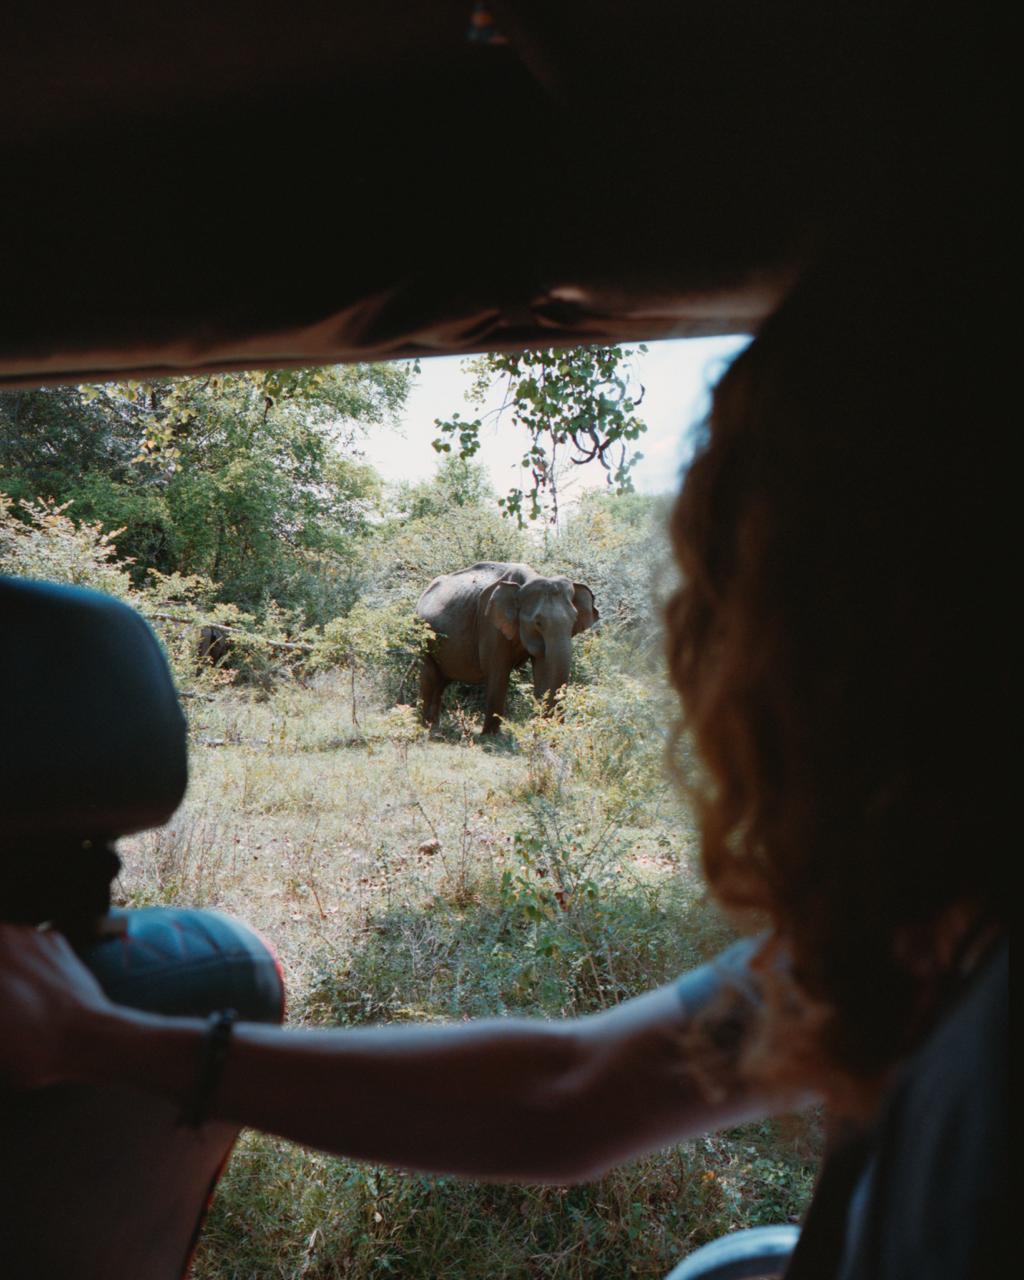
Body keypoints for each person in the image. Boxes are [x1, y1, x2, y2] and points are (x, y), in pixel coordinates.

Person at [0, 217, 1008, 1273]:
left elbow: (566, 1096)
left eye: (745, 600)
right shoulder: (916, 928)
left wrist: (101, 1036)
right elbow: (569, 1092)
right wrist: (111, 1036)